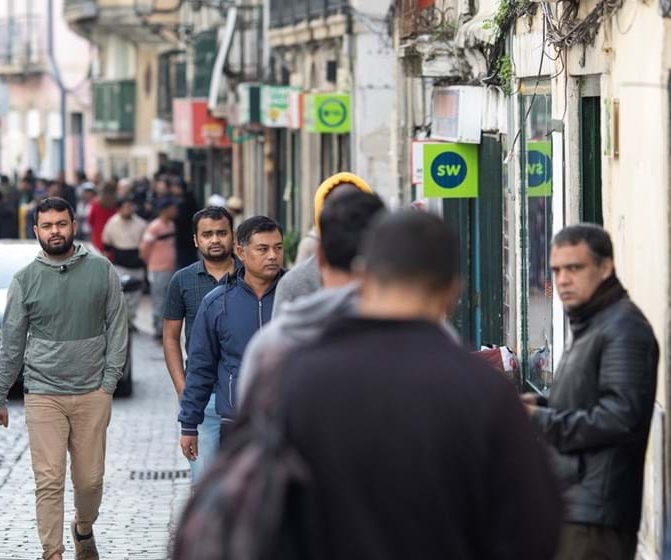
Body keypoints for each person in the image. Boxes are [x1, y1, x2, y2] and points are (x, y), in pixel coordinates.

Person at [276, 210, 562, 559]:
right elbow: (534, 528)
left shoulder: (303, 379)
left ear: (363, 277)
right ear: (453, 290)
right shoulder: (486, 393)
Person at [0, 197, 127, 560]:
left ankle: (83, 527)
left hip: (92, 391)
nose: (55, 232)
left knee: (90, 480)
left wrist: (109, 382)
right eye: (47, 226)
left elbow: (118, 326)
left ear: (73, 225)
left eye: (61, 224)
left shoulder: (101, 270)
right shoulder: (24, 280)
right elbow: (12, 342)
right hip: (43, 394)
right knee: (48, 480)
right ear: (36, 231)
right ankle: (53, 552)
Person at [523, 224, 658, 560]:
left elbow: (621, 417)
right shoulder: (592, 323)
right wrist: (539, 403)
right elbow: (587, 403)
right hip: (575, 507)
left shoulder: (623, 329)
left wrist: (541, 418)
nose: (563, 280)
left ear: (605, 267)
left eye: (574, 268)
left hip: (595, 517)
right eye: (556, 270)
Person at [238, 190, 385, 398]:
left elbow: (257, 422)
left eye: (277, 248)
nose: (272, 255)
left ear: (320, 255)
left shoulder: (274, 345)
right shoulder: (428, 342)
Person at [178, 216, 283, 456]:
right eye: (263, 249)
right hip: (237, 423)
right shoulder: (217, 303)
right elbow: (200, 367)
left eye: (278, 248)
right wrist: (189, 424)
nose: (272, 256)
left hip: (288, 420)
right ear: (241, 252)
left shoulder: (296, 295)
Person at [163, 206, 238, 484]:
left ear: (233, 236)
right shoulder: (182, 280)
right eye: (207, 234)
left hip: (244, 391)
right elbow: (170, 337)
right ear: (196, 240)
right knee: (205, 483)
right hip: (202, 393)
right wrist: (182, 388)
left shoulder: (251, 276)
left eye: (221, 233)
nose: (215, 240)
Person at [273, 172, 374, 316]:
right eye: (335, 208)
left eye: (355, 208)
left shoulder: (394, 280)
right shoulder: (295, 283)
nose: (345, 216)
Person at [102, 197, 148, 319]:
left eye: (130, 206)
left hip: (137, 263)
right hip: (120, 264)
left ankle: (131, 319)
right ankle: (124, 321)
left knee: (136, 295)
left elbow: (146, 244)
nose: (128, 209)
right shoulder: (112, 223)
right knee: (121, 295)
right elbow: (107, 244)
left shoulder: (141, 223)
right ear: (119, 209)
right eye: (126, 207)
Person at [139, 198, 178, 339]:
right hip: (157, 268)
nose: (175, 211)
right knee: (158, 299)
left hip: (169, 268)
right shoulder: (154, 227)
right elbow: (144, 248)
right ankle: (158, 327)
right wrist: (149, 262)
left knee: (167, 300)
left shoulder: (171, 225)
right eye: (172, 208)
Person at [170, 177, 199, 270]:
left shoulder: (183, 201)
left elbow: (182, 220)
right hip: (188, 235)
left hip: (185, 236)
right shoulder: (187, 198)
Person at [88, 180, 118, 254]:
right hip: (113, 235)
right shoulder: (116, 203)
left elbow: (90, 220)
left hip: (98, 234)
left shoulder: (95, 203)